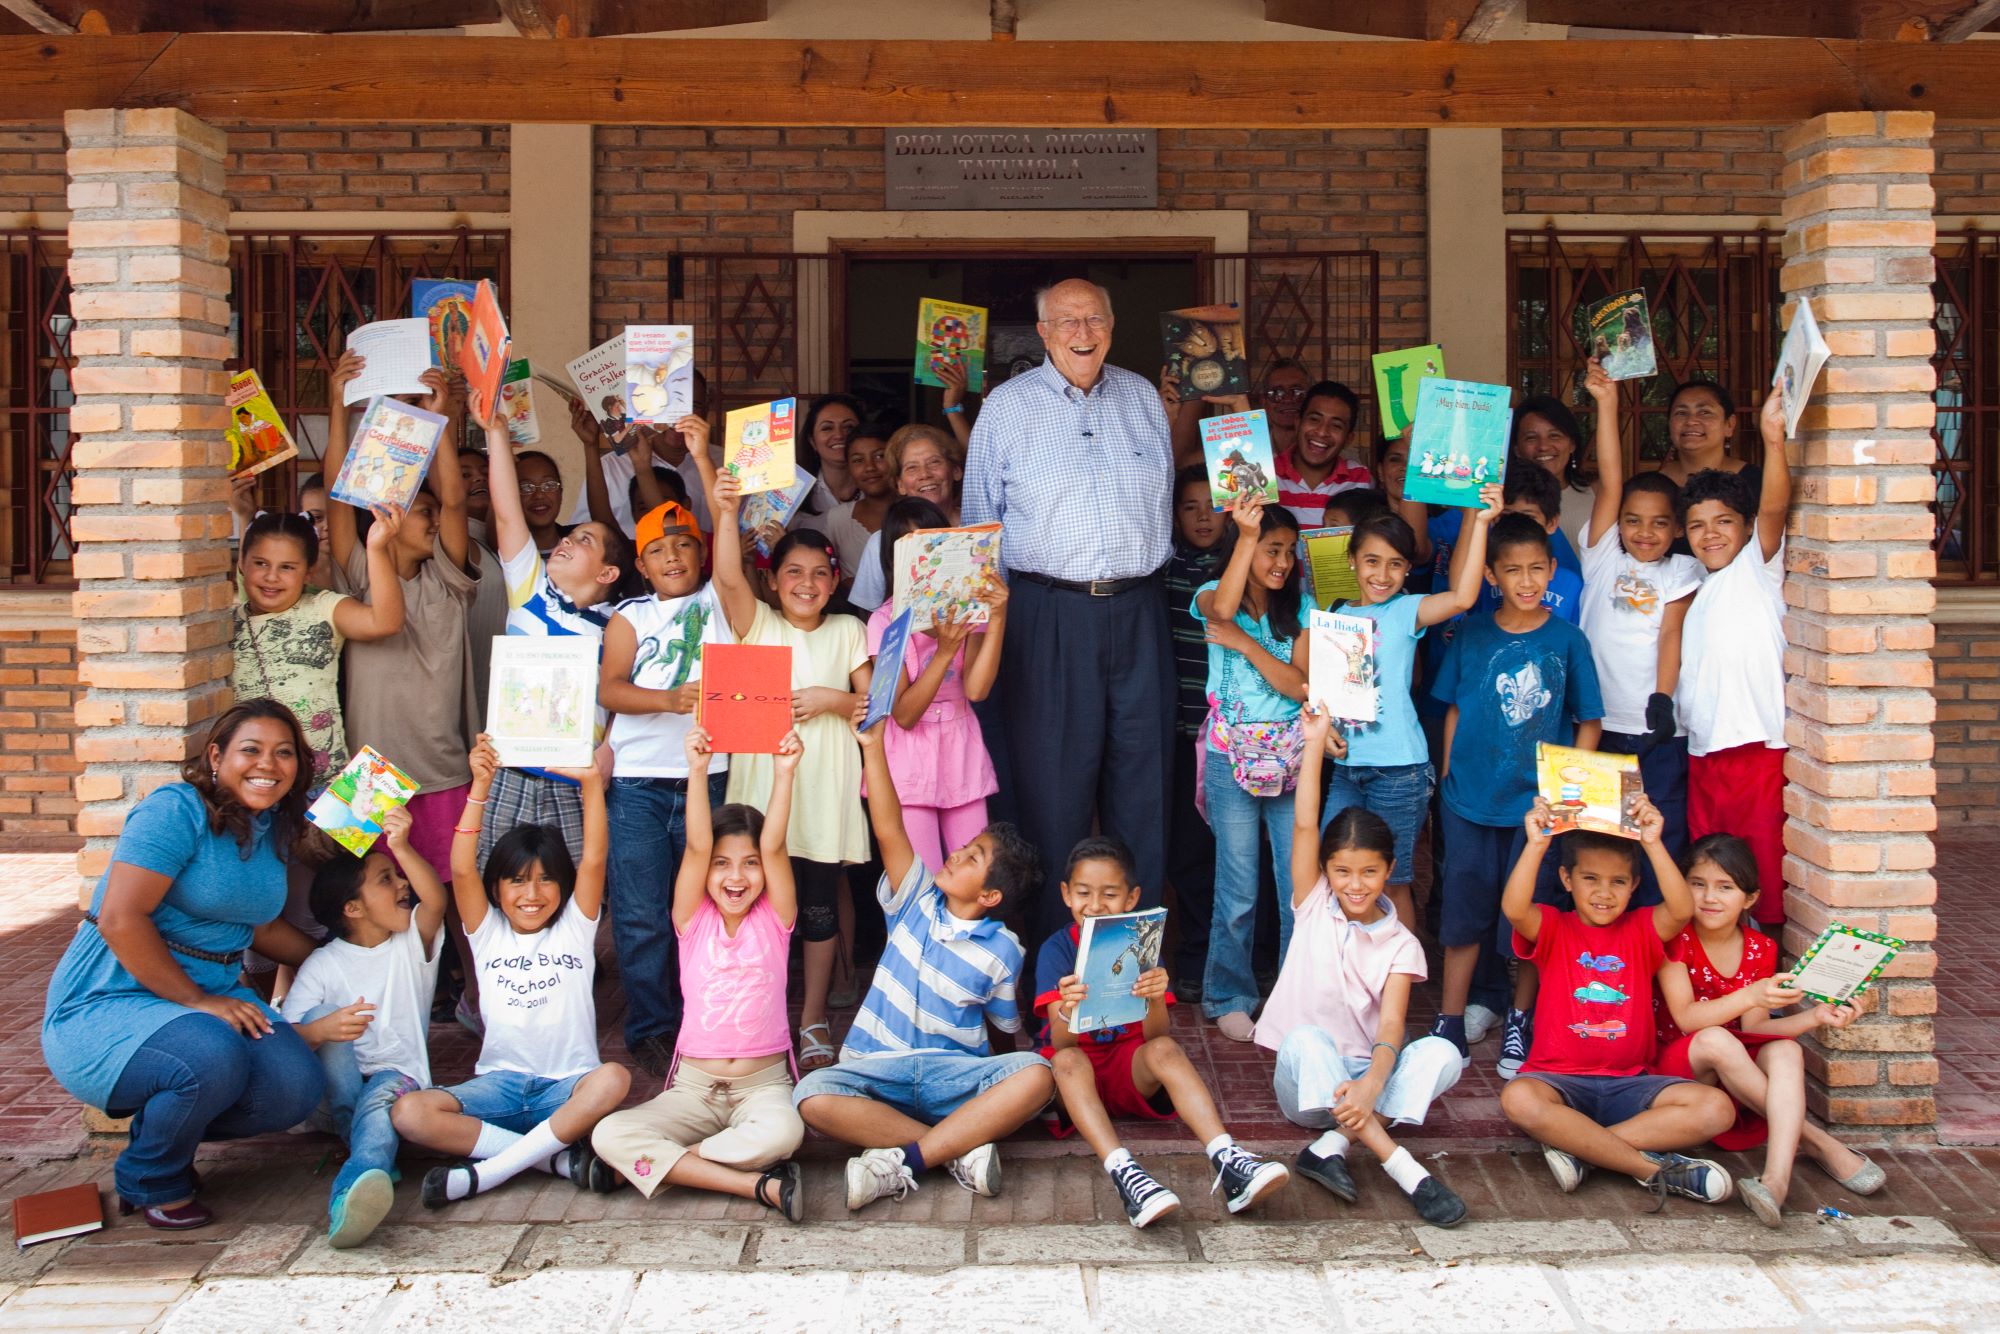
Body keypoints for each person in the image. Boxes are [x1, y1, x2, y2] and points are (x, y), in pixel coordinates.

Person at [41, 701, 326, 1229]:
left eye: (284, 753)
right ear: (216, 756)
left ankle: (160, 1125)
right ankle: (151, 1177)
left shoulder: (272, 829)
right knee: (210, 1054)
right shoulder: (176, 810)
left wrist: (337, 959)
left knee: (294, 1087)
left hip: (207, 996)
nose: (269, 764)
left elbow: (257, 924)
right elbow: (121, 919)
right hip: (111, 995)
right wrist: (198, 1001)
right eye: (252, 750)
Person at [963, 278, 1176, 946]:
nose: (1082, 333)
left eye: (1094, 320)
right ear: (1044, 332)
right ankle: (1057, 968)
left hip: (1140, 611)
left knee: (1146, 793)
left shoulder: (1143, 398)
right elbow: (979, 526)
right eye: (1066, 322)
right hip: (1044, 617)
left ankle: (1135, 968)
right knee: (1053, 797)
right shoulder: (1006, 408)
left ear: (1112, 326)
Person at [794, 701, 1052, 1210]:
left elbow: (1005, 1032)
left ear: (991, 897)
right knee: (810, 1096)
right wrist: (872, 746)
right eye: (965, 848)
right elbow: (890, 827)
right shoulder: (915, 900)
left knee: (1039, 1075)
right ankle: (956, 1152)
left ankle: (904, 1160)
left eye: (972, 857)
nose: (955, 854)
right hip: (877, 1069)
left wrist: (1020, 1077)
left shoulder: (1004, 950)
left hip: (952, 1077)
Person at [397, 737, 631, 1206]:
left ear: (563, 887)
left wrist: (589, 785)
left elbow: (595, 859)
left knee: (614, 1079)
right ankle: (555, 1160)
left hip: (567, 1088)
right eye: (518, 880)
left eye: (547, 879)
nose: (532, 893)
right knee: (410, 1113)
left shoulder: (574, 927)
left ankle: (488, 1172)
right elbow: (461, 869)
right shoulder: (486, 930)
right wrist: (480, 785)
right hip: (498, 1086)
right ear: (497, 888)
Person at [590, 726, 809, 1221]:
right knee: (609, 1133)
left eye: (750, 864)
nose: (736, 877)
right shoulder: (691, 920)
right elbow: (693, 847)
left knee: (784, 1133)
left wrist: (784, 773)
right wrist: (695, 769)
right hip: (691, 1090)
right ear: (705, 872)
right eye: (723, 864)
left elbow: (775, 847)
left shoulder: (776, 920)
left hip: (764, 1088)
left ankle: (650, 1168)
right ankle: (754, 1186)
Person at [1258, 715, 1468, 1226]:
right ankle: (1406, 1170)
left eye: (1370, 872)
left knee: (1444, 1051)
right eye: (1343, 871)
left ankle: (1331, 1146)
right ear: (1326, 870)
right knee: (1307, 1039)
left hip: (1365, 1079)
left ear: (1390, 870)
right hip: (1306, 1086)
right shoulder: (1313, 902)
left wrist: (1374, 1080)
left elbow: (1394, 1024)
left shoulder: (1401, 942)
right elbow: (1306, 822)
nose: (1356, 885)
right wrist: (1313, 743)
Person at [1429, 512, 1604, 1078]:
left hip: (1538, 811)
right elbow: (1453, 707)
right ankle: (1450, 1021)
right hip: (1468, 802)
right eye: (1512, 570)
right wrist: (1449, 775)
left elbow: (1589, 719)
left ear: (1553, 569)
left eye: (1536, 568)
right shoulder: (1472, 633)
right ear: (1490, 575)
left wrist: (1566, 793)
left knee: (1531, 919)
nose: (1526, 580)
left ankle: (1520, 1021)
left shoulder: (1568, 639)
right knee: (1462, 910)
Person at [1037, 836, 1290, 1228]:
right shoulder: (1056, 949)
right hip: (1077, 1076)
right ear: (1066, 894)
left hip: (1129, 1067)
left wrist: (1154, 998)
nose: (1095, 905)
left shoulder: (1141, 943)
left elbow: (1156, 1034)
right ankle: (1125, 1173)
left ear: (1131, 897)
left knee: (1167, 1049)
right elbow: (1060, 1042)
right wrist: (1068, 1006)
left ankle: (1228, 1159)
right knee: (1067, 1061)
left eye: (1109, 894)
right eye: (1084, 893)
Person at [1497, 797, 1737, 1208]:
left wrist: (1653, 843)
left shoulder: (1642, 928)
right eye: (1590, 878)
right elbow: (1514, 908)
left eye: (1618, 882)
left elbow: (1681, 908)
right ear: (1566, 879)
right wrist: (1536, 843)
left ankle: (1583, 1149)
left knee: (1716, 1109)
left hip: (1632, 1082)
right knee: (1518, 1098)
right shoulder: (1555, 926)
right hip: (1558, 1081)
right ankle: (1653, 1170)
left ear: (1635, 886)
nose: (1604, 893)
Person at [711, 465, 872, 1073]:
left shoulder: (849, 630)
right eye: (793, 573)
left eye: (819, 574)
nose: (807, 583)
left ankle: (811, 1020)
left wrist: (833, 701)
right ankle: (761, 1011)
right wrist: (726, 511)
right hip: (760, 791)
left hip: (823, 791)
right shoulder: (760, 625)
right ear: (773, 581)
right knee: (753, 903)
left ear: (837, 581)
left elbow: (874, 707)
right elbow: (727, 576)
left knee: (818, 905)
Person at [1652, 834, 1883, 1226]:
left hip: (1734, 1072)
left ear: (1750, 898)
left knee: (1786, 1049)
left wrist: (1816, 1017)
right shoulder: (1674, 939)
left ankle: (1775, 1181)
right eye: (1698, 883)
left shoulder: (1760, 948)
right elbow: (1688, 1018)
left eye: (1726, 887)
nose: (1710, 897)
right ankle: (1818, 1143)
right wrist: (1752, 994)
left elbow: (1755, 1028)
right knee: (1714, 1037)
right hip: (1675, 1068)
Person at [324, 353, 478, 893]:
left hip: (444, 769)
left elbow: (456, 500)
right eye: (422, 510)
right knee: (367, 898)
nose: (435, 518)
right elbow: (338, 499)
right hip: (366, 771)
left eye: (435, 513)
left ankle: (460, 981)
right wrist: (338, 408)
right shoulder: (361, 575)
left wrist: (440, 422)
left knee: (455, 893)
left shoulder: (448, 580)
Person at [598, 481, 733, 1078]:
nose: (672, 556)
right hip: (638, 785)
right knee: (640, 913)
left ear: (703, 555)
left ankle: (707, 1017)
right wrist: (670, 701)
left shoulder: (724, 606)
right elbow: (609, 688)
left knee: (710, 906)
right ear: (640, 564)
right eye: (657, 549)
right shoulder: (628, 616)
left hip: (710, 779)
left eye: (683, 545)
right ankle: (653, 1027)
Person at [1327, 486, 1501, 932]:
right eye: (1372, 561)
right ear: (1351, 560)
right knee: (1336, 872)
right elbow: (1325, 691)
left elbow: (1462, 598)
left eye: (1396, 564)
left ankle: (1400, 981)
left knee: (1395, 880)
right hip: (1348, 766)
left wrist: (1479, 520)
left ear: (1408, 569)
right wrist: (1324, 728)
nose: (1382, 574)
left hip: (1399, 770)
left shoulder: (1407, 611)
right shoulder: (1334, 613)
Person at [473, 395, 632, 870]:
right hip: (511, 771)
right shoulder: (530, 590)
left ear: (607, 574)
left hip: (577, 780)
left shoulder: (622, 628)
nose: (566, 540)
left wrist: (610, 750)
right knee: (498, 887)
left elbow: (628, 698)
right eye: (570, 535)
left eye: (584, 541)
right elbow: (506, 515)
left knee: (575, 897)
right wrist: (496, 432)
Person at [281, 806, 445, 1248]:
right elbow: (284, 1041)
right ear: (352, 908)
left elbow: (436, 900)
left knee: (380, 1099)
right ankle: (370, 1144)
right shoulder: (322, 963)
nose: (402, 884)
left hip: (399, 1078)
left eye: (397, 875)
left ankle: (352, 1189)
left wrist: (401, 846)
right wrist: (323, 1030)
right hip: (338, 1093)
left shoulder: (409, 941)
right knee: (316, 1018)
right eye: (386, 879)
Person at [1578, 358, 1705, 878]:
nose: (1644, 532)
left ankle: (1657, 941)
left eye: (1658, 523)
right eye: (1632, 520)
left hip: (1658, 730)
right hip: (1599, 727)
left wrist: (1662, 699)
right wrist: (1606, 403)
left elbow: (1671, 633)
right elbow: (1610, 480)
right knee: (1598, 838)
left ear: (1676, 528)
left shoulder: (1682, 570)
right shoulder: (1603, 555)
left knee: (1661, 837)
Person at [1194, 490, 1310, 1042]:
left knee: (1295, 887)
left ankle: (1293, 995)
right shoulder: (1213, 596)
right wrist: (1244, 534)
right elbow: (1220, 612)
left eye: (1289, 551)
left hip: (1292, 758)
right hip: (1229, 757)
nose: (1281, 562)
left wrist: (1244, 644)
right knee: (1237, 888)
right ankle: (1229, 993)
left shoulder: (1304, 611)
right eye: (1270, 549)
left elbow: (1299, 684)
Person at [1676, 382, 1791, 928]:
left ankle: (1767, 976)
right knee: (1708, 871)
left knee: (1759, 866)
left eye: (1723, 522)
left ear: (1745, 528)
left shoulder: (1756, 568)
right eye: (1697, 525)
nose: (1710, 534)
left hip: (1754, 749)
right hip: (1703, 751)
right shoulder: (1697, 586)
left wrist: (1772, 437)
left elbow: (1774, 504)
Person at [865, 497, 1008, 873]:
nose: (922, 560)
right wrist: (945, 651)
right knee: (920, 883)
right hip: (908, 760)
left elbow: (976, 691)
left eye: (930, 546)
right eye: (908, 548)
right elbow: (905, 714)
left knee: (976, 876)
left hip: (962, 750)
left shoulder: (970, 612)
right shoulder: (884, 622)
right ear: (893, 560)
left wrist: (997, 616)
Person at [232, 505, 406, 794]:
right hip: (252, 781)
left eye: (287, 567)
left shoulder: (324, 607)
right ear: (242, 563)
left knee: (375, 836)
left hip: (326, 782)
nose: (271, 576)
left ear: (309, 573)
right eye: (260, 563)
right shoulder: (222, 624)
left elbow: (386, 622)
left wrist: (377, 549)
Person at [1162, 465, 1224, 997]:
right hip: (1184, 733)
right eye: (1190, 507)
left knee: (1240, 855)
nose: (1204, 516)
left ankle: (1247, 957)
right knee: (1189, 852)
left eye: (1214, 504)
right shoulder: (1165, 567)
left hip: (1241, 742)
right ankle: (1194, 956)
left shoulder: (1246, 565)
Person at [847, 423, 966, 612]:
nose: (925, 474)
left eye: (934, 462)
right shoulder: (882, 542)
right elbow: (870, 615)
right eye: (912, 468)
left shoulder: (979, 528)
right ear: (899, 484)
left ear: (956, 471)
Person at [1275, 381, 1375, 529]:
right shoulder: (1266, 473)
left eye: (1336, 425)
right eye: (1314, 419)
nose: (1322, 432)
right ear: (1298, 424)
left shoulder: (1361, 478)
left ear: (1348, 439)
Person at [1509, 392, 1597, 546]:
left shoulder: (1596, 493)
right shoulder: (1504, 503)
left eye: (1554, 436)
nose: (1543, 446)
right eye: (1531, 437)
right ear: (1516, 448)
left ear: (1572, 444)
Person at [824, 423, 895, 582]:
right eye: (858, 460)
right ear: (848, 468)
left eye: (879, 456)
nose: (869, 467)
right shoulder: (838, 520)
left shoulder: (917, 512)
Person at [1659, 378, 1753, 487]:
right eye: (1681, 413)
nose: (1691, 421)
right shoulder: (1655, 485)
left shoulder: (1758, 483)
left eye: (1705, 412)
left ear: (1729, 424)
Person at [800, 392, 864, 509]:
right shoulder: (795, 492)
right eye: (827, 428)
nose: (839, 435)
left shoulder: (881, 488)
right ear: (812, 441)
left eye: (849, 427)